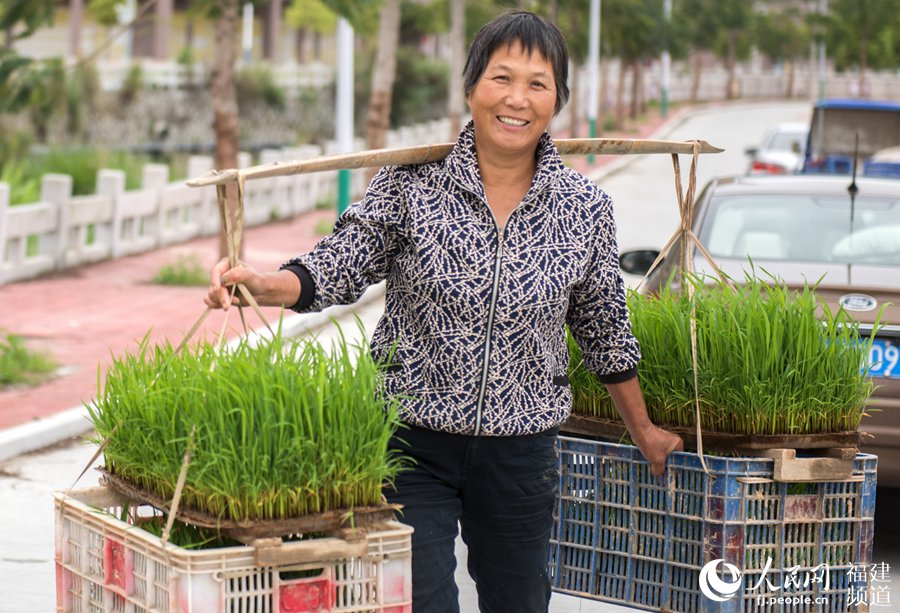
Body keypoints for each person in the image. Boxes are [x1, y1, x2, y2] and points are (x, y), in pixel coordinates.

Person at [206, 10, 683, 612]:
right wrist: (261, 285)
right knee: (422, 603)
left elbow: (604, 330)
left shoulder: (583, 208)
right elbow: (339, 264)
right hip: (411, 444)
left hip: (520, 451)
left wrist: (644, 432)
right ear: (471, 88)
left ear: (558, 100)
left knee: (520, 602)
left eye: (538, 84)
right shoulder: (412, 185)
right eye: (501, 78)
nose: (517, 99)